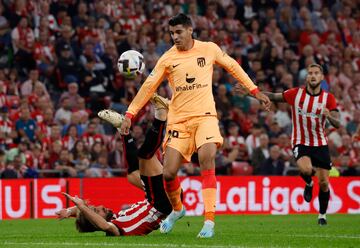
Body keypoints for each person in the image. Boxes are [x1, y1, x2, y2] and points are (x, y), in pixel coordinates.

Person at [119, 13, 271, 238]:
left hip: (205, 116)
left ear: (190, 30)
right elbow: (149, 86)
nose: (175, 37)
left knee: (207, 157)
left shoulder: (208, 49)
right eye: (171, 33)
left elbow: (232, 66)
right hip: (179, 120)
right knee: (169, 174)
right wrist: (130, 113)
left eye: (178, 32)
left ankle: (209, 221)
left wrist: (255, 91)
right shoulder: (167, 59)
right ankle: (178, 210)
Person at [56, 96, 173, 236]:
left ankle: (123, 131)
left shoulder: (115, 218)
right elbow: (101, 223)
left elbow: (89, 214)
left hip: (156, 200)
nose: (101, 207)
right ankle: (161, 115)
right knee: (144, 156)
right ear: (96, 220)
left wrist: (69, 211)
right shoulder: (114, 229)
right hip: (161, 205)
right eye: (96, 211)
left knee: (132, 176)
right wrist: (81, 206)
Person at [264, 63, 340, 225]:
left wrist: (330, 116)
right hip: (300, 141)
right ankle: (308, 182)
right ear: (306, 77)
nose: (313, 75)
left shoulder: (328, 98)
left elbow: (338, 124)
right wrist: (252, 92)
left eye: (316, 73)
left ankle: (322, 215)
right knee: (305, 169)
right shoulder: (295, 94)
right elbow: (273, 96)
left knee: (325, 183)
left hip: (320, 143)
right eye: (310, 73)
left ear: (321, 78)